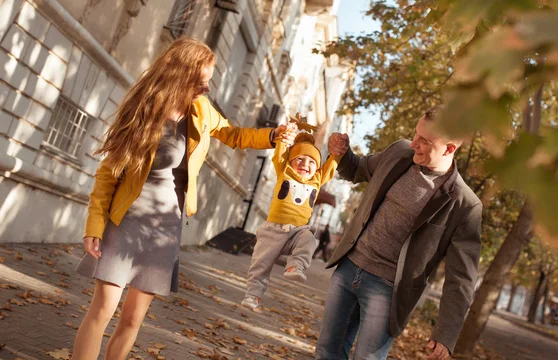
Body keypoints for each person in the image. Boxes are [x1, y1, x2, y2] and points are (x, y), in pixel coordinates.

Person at [72, 37, 295, 360]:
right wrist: (94, 223)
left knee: (133, 318)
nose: (206, 89)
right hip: (127, 220)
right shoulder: (144, 110)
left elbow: (233, 135)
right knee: (102, 309)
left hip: (164, 228)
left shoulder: (201, 111)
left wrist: (272, 136)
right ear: (180, 74)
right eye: (200, 80)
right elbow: (109, 173)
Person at [316, 105, 482, 360]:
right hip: (350, 266)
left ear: (449, 148)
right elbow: (357, 169)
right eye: (416, 134)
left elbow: (461, 277)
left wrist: (446, 332)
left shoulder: (465, 204)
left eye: (424, 141)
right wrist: (342, 153)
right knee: (327, 351)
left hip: (388, 290)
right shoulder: (399, 152)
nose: (413, 143)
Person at [241, 128, 340, 309]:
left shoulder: (316, 179)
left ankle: (296, 266)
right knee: (260, 266)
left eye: (311, 161)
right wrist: (283, 139)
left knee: (309, 239)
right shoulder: (284, 170)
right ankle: (253, 296)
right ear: (290, 161)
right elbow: (280, 153)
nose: (305, 164)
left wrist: (335, 155)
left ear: (317, 167)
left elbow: (330, 167)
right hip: (273, 230)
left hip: (297, 231)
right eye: (299, 159)